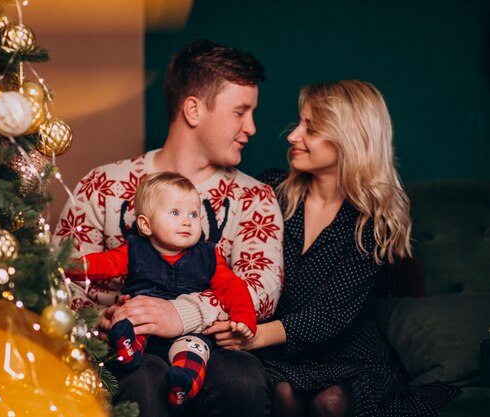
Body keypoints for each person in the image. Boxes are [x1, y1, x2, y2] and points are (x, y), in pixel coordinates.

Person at [52, 38, 283, 417]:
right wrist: (104, 320)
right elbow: (62, 276)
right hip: (130, 348)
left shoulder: (253, 198)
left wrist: (181, 314)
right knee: (142, 383)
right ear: (193, 109)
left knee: (240, 383)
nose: (252, 127)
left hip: (214, 350)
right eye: (240, 112)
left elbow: (262, 288)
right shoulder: (103, 185)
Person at [204, 80, 460, 417]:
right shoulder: (273, 190)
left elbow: (332, 314)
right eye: (298, 123)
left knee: (331, 401)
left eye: (310, 128)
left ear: (349, 139)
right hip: (281, 355)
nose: (293, 136)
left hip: (347, 356)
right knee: (282, 392)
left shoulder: (374, 218)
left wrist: (252, 336)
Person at [67, 172, 256, 409]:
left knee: (194, 350)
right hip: (143, 324)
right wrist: (66, 265)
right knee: (129, 323)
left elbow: (233, 286)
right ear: (146, 225)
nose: (187, 221)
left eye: (194, 214)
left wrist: (244, 318)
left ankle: (183, 385)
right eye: (175, 213)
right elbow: (102, 264)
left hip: (188, 333)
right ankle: (126, 350)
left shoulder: (207, 256)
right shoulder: (134, 250)